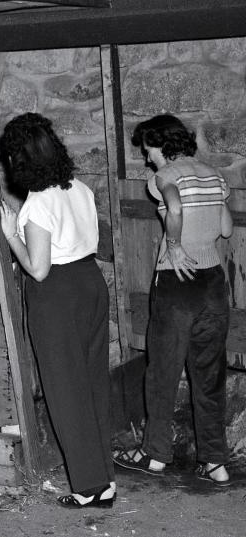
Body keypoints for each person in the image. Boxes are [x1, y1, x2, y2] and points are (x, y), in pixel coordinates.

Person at [0, 112, 115, 508]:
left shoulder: (38, 203)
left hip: (57, 294)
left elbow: (38, 268)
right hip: (91, 283)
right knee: (93, 383)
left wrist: (11, 233)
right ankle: (104, 479)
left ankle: (87, 486)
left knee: (65, 390)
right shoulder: (78, 188)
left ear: (20, 159)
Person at [112, 115, 233, 486]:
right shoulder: (213, 175)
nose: (146, 157)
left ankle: (156, 456)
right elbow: (226, 228)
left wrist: (177, 244)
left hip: (177, 282)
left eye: (147, 148)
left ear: (160, 144)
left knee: (162, 371)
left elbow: (175, 207)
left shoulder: (163, 177)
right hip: (213, 283)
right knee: (209, 376)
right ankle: (215, 462)